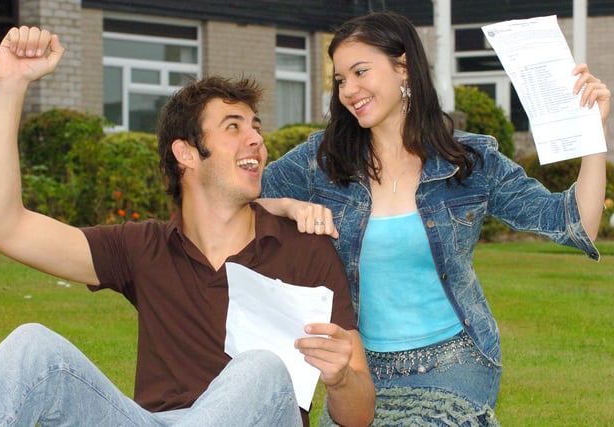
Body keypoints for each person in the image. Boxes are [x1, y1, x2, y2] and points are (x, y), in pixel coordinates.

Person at [0, 26, 375, 427]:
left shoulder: (305, 251)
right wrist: (10, 84)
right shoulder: (143, 249)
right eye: (234, 127)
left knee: (261, 368)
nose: (256, 138)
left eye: (255, 127)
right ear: (185, 153)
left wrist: (340, 379)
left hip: (261, 413)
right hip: (156, 421)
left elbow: (360, 415)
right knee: (33, 347)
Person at [259, 11, 610, 426]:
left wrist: (592, 136)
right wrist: (289, 206)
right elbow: (235, 203)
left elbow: (573, 223)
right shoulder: (321, 160)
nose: (348, 90)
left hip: (455, 365)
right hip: (359, 372)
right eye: (340, 80)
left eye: (360, 72)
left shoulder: (469, 161)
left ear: (403, 68)